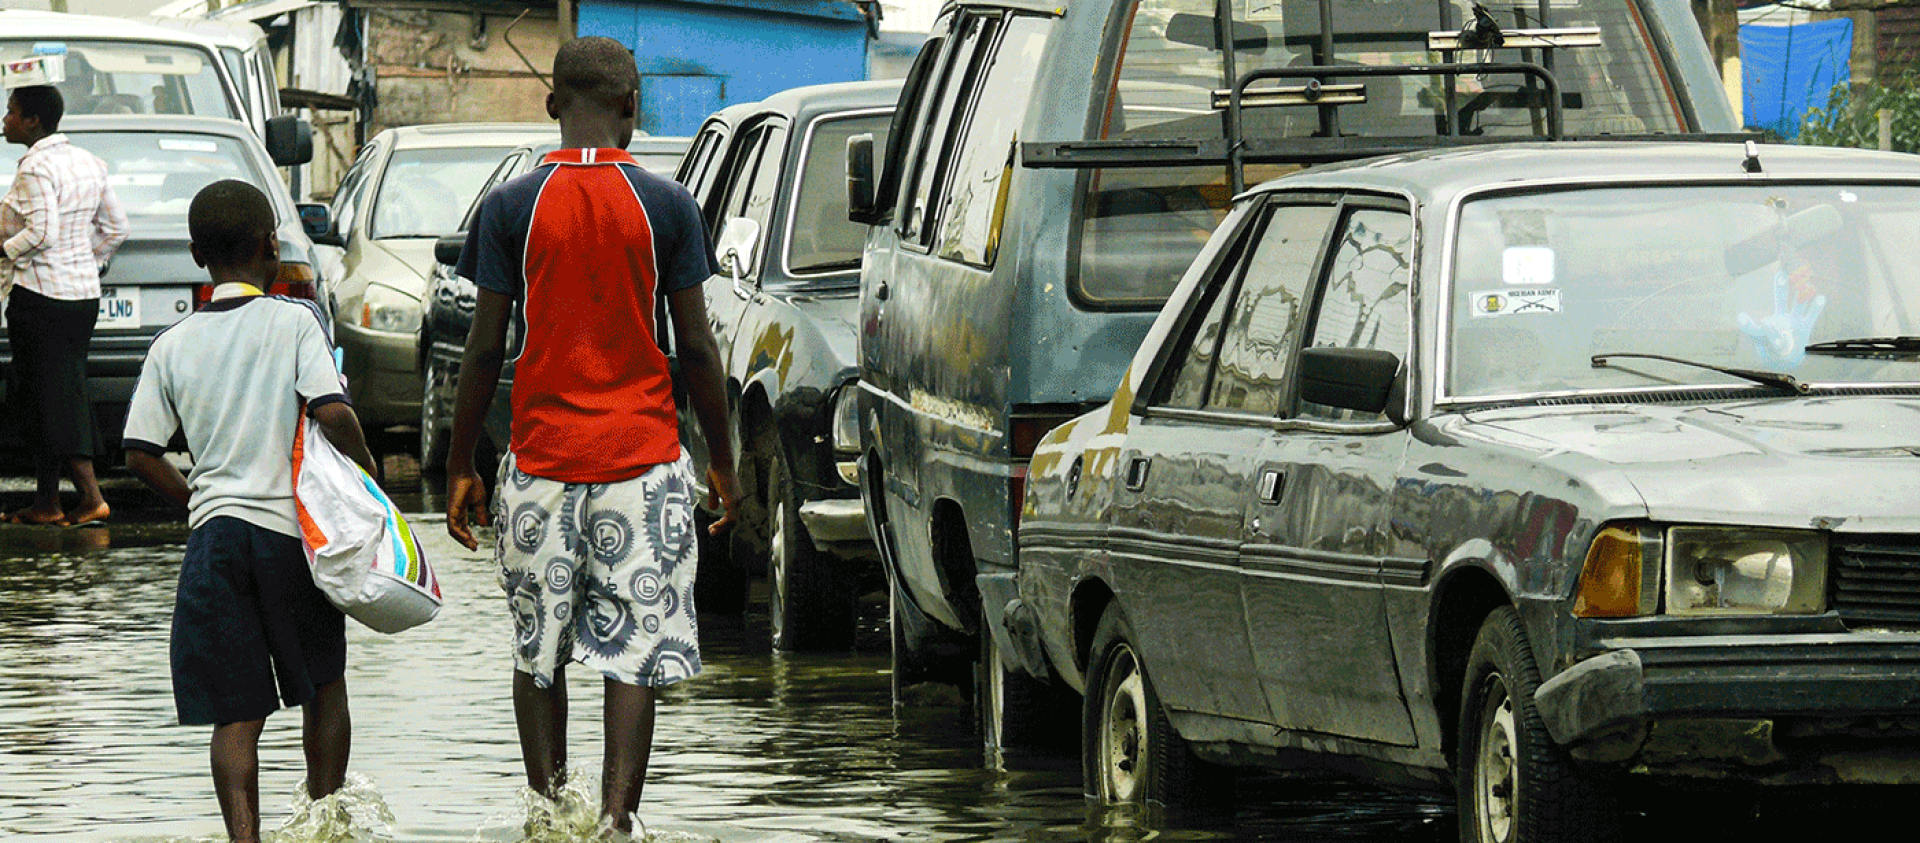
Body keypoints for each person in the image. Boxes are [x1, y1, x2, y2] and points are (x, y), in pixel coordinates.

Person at [443, 36, 741, 836]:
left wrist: (459, 463)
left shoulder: (511, 206)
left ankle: (548, 815)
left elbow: (483, 348)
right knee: (633, 649)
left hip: (538, 465)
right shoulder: (667, 205)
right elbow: (699, 350)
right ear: (631, 112)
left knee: (538, 651)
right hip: (643, 467)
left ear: (550, 105)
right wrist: (722, 461)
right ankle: (617, 818)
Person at [122, 180, 376, 843]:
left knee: (236, 712)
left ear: (194, 253)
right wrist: (370, 472)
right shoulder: (293, 321)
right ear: (271, 244)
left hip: (215, 545)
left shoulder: (170, 344)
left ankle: (244, 837)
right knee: (323, 685)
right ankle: (325, 821)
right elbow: (331, 409)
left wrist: (197, 500)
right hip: (288, 539)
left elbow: (140, 451)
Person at [1, 84, 128, 526]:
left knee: (55, 398)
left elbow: (41, 234)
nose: (5, 120)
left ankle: (90, 498)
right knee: (48, 393)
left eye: (12, 112)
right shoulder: (87, 161)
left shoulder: (35, 168)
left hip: (41, 299)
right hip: (80, 298)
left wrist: (3, 251)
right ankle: (47, 502)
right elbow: (116, 227)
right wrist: (84, 262)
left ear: (33, 121)